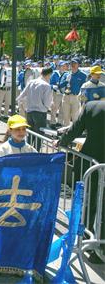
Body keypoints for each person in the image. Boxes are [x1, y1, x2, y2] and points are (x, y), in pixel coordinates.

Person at [57, 100, 104, 263]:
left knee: (88, 203)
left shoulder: (92, 106)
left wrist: (62, 141)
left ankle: (86, 239)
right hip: (95, 164)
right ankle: (100, 247)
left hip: (91, 163)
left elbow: (75, 129)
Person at [16, 67, 53, 148]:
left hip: (29, 112)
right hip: (40, 112)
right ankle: (36, 154)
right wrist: (46, 108)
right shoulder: (46, 85)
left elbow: (22, 95)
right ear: (49, 75)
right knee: (39, 136)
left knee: (30, 134)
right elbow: (47, 102)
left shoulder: (31, 82)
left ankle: (28, 152)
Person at [59, 60, 87, 126]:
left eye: (75, 63)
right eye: (71, 63)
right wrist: (66, 81)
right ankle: (65, 132)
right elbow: (60, 85)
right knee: (66, 117)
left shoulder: (83, 75)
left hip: (76, 97)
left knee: (75, 117)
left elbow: (84, 88)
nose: (73, 65)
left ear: (78, 64)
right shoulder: (66, 74)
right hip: (66, 97)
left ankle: (74, 133)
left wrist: (83, 99)